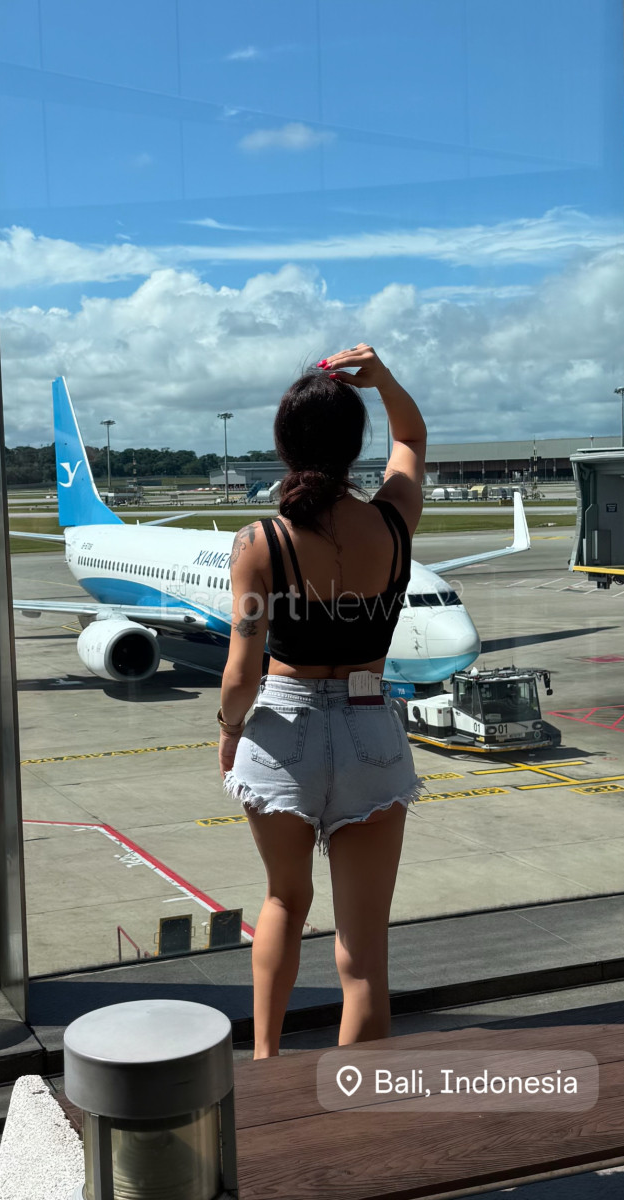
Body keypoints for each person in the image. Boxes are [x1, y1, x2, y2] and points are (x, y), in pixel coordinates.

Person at [217, 343, 427, 1059]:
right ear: (353, 446)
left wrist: (229, 732)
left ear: (284, 445)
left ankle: (266, 1066)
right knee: (364, 957)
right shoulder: (394, 521)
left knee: (283, 900)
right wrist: (384, 378)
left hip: (283, 727)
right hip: (371, 727)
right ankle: (358, 1104)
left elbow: (240, 672)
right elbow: (411, 438)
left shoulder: (259, 542)